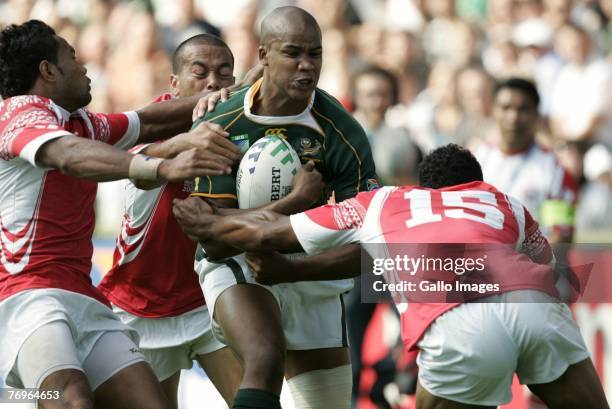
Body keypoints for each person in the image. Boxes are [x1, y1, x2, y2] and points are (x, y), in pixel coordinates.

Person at [173, 144, 609, 409]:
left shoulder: (386, 202)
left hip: (461, 325)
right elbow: (548, 270)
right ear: (475, 182)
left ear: (423, 185)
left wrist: (206, 223)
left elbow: (270, 232)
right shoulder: (504, 202)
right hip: (536, 306)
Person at [0, 20, 240, 409]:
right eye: (74, 59)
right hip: (30, 295)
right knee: (70, 400)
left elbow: (150, 120)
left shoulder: (83, 124)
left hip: (87, 299)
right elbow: (69, 156)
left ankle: (19, 400)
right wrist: (163, 166)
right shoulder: (19, 114)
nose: (85, 68)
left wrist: (248, 93)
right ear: (48, 71)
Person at [176, 6, 377, 409]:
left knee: (330, 403)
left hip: (309, 266)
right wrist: (297, 203)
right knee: (265, 359)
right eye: (293, 53)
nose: (307, 66)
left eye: (315, 54)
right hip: (238, 263)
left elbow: (371, 249)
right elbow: (213, 243)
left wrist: (291, 267)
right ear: (264, 55)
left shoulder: (342, 130)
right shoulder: (221, 123)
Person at [97, 34, 244, 408]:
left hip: (207, 300)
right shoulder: (147, 128)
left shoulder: (243, 130)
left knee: (254, 399)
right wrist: (189, 146)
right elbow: (141, 169)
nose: (213, 82)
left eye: (224, 73)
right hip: (141, 309)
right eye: (200, 72)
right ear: (174, 84)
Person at [474, 78, 577, 244]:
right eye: (505, 108)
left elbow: (560, 238)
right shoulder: (477, 159)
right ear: (493, 111)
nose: (513, 117)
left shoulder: (554, 171)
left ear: (536, 115)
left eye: (522, 109)